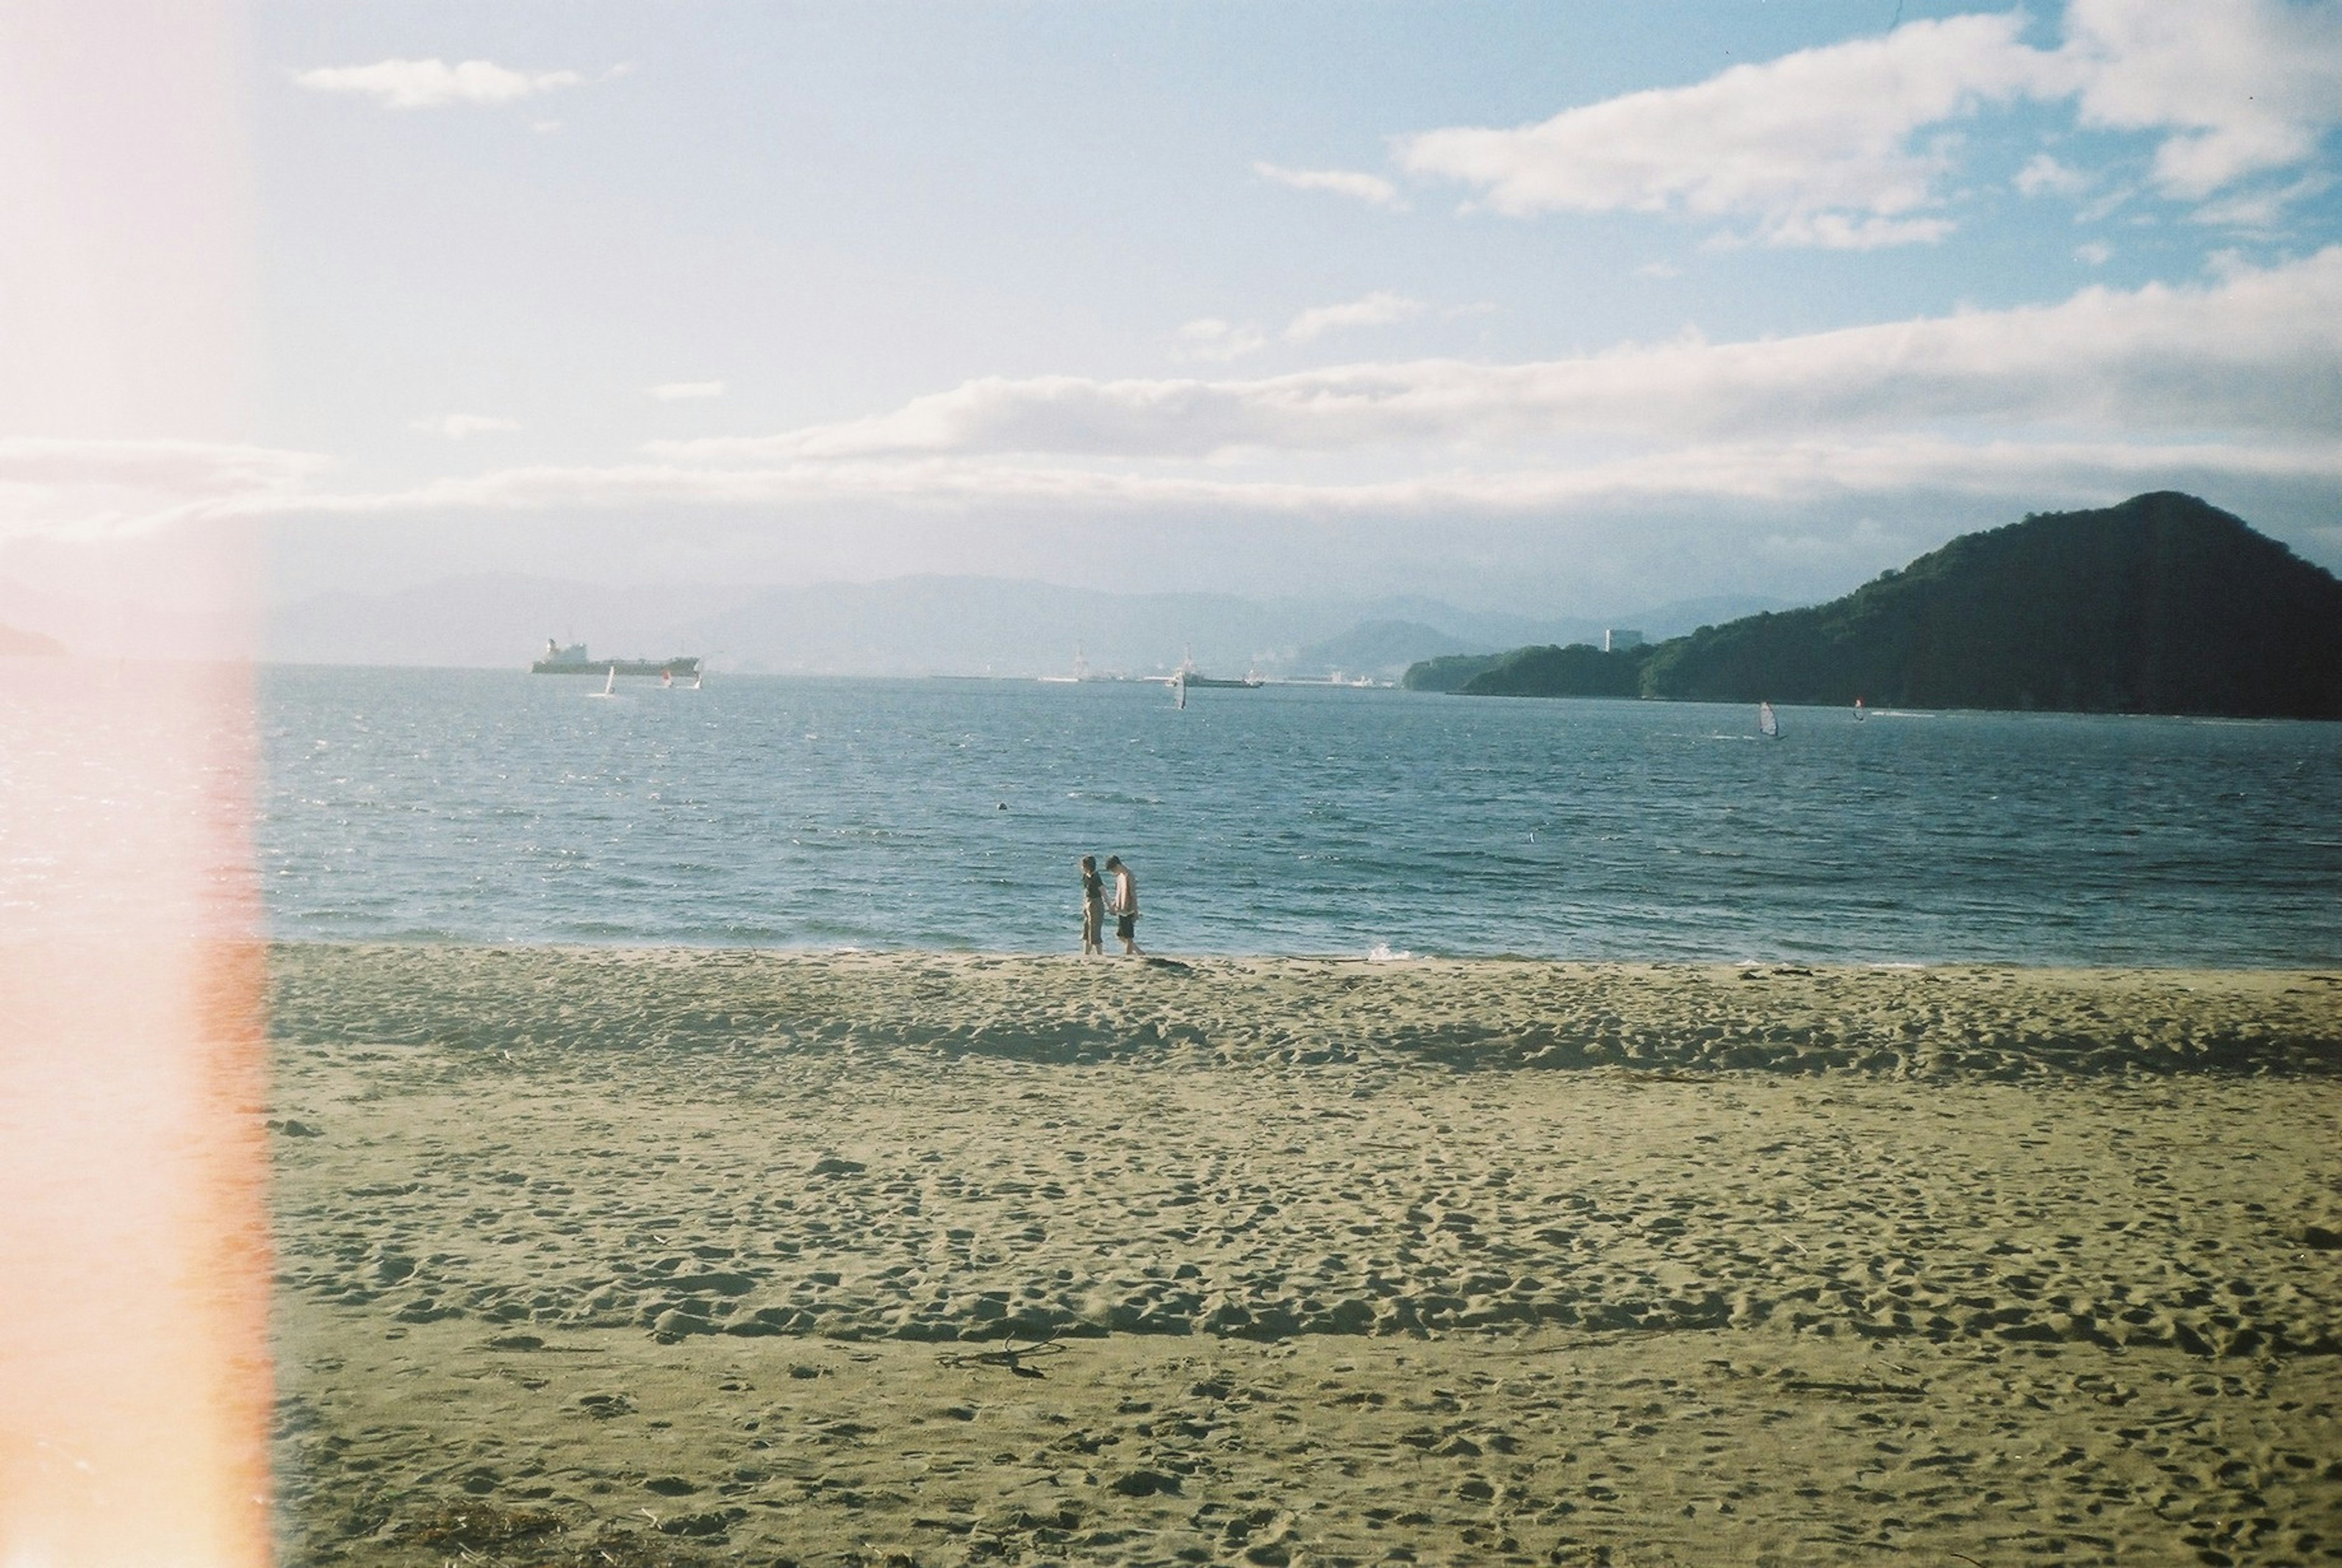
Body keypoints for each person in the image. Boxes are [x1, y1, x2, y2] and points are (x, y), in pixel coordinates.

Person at [1105, 854, 1142, 956]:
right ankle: (1139, 952)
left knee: (1128, 937)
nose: (1113, 873)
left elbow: (1133, 895)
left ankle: (1129, 956)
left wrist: (1136, 911)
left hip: (1129, 910)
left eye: (1113, 870)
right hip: (1121, 909)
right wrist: (1113, 905)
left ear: (1117, 866)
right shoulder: (1120, 876)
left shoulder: (1129, 876)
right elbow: (1118, 893)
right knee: (1121, 936)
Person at [1078, 855, 1105, 956]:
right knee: (1087, 930)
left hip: (1096, 903)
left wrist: (1110, 906)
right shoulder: (1086, 876)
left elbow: (1103, 892)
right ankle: (1086, 954)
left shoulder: (1096, 877)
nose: (1082, 868)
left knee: (1095, 931)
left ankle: (1100, 954)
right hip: (1088, 903)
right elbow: (1087, 891)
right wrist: (1085, 905)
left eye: (1083, 866)